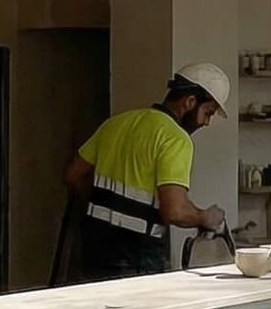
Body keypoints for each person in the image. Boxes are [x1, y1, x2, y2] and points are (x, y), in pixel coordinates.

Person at [64, 63, 232, 281]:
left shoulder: (116, 123)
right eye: (208, 112)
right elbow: (175, 212)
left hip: (94, 244)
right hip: (136, 254)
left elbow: (73, 176)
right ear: (190, 101)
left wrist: (108, 206)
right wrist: (205, 217)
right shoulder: (175, 139)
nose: (207, 122)